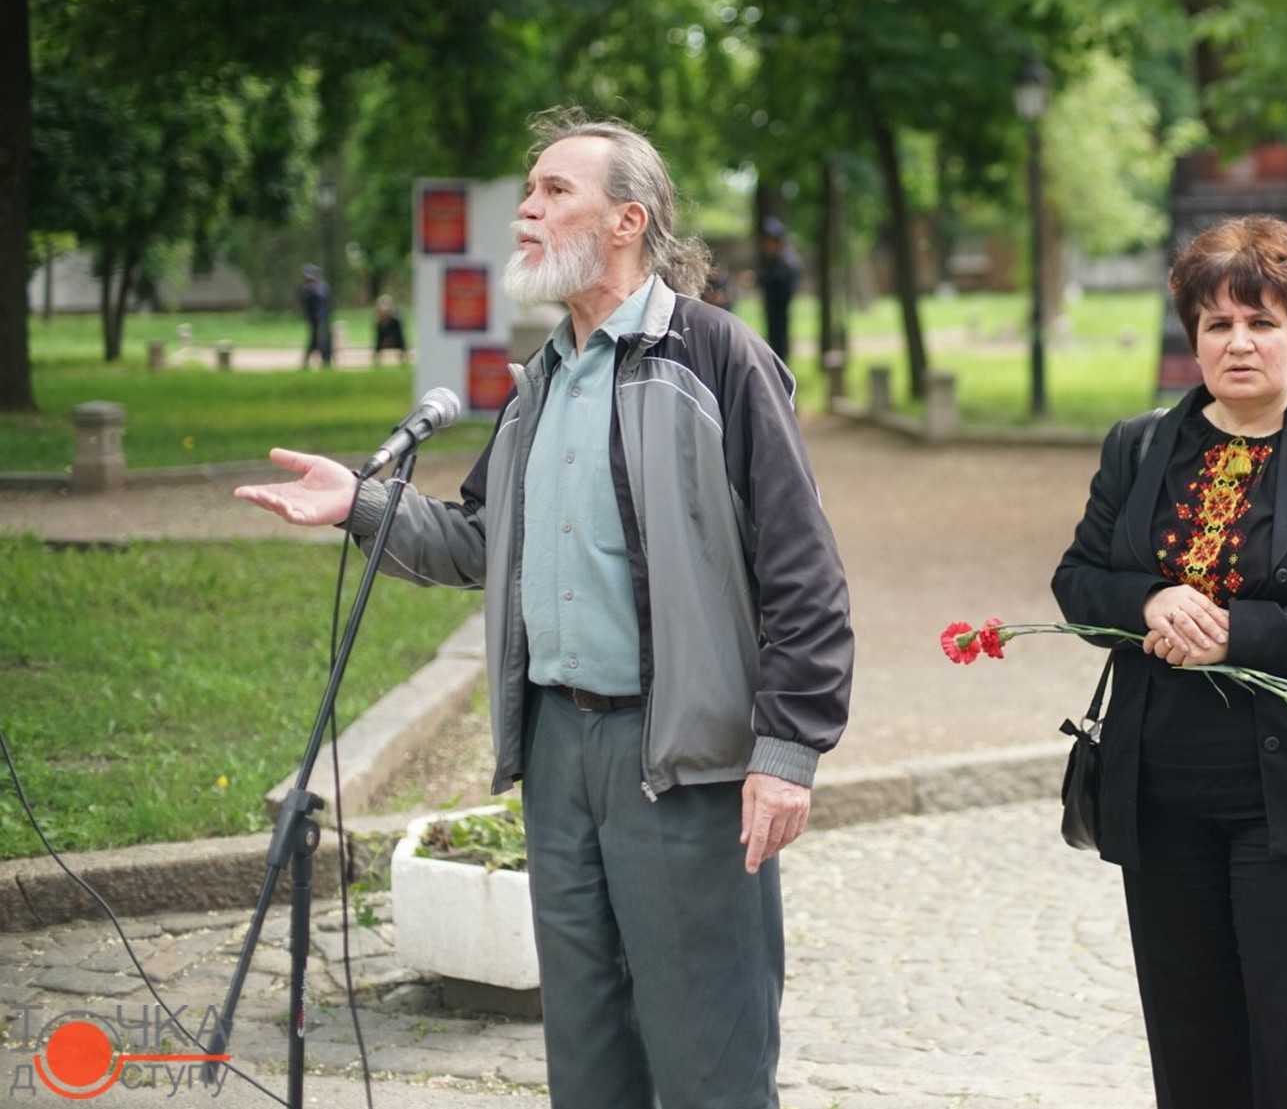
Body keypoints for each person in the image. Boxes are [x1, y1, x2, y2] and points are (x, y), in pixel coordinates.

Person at [235, 109, 855, 1109]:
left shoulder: (717, 359)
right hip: (558, 753)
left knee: (709, 1053)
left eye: (554, 190)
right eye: (528, 189)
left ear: (627, 220)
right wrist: (359, 501)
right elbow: (481, 541)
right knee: (586, 1048)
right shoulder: (537, 384)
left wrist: (787, 752)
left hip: (681, 760)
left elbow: (804, 574)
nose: (525, 207)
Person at [1052, 216, 1287, 1109]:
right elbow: (1077, 580)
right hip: (1162, 798)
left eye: (1262, 321)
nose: (1240, 342)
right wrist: (1146, 599)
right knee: (1193, 1048)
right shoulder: (1140, 446)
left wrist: (1239, 632)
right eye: (1217, 324)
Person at [755, 216, 800, 363]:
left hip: (779, 312)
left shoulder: (786, 260)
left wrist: (761, 279)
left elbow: (783, 285)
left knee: (780, 346)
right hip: (773, 313)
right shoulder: (777, 259)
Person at [299, 264, 332, 369]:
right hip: (313, 320)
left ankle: (325, 362)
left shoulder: (322, 287)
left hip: (322, 319)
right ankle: (316, 362)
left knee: (322, 340)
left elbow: (326, 303)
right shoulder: (307, 289)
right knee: (315, 340)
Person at [371, 294, 407, 367]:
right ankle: (377, 360)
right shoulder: (379, 322)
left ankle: (402, 358)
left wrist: (390, 340)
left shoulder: (396, 320)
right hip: (383, 340)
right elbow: (378, 334)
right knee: (378, 341)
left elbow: (399, 334)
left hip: (395, 340)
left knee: (400, 340)